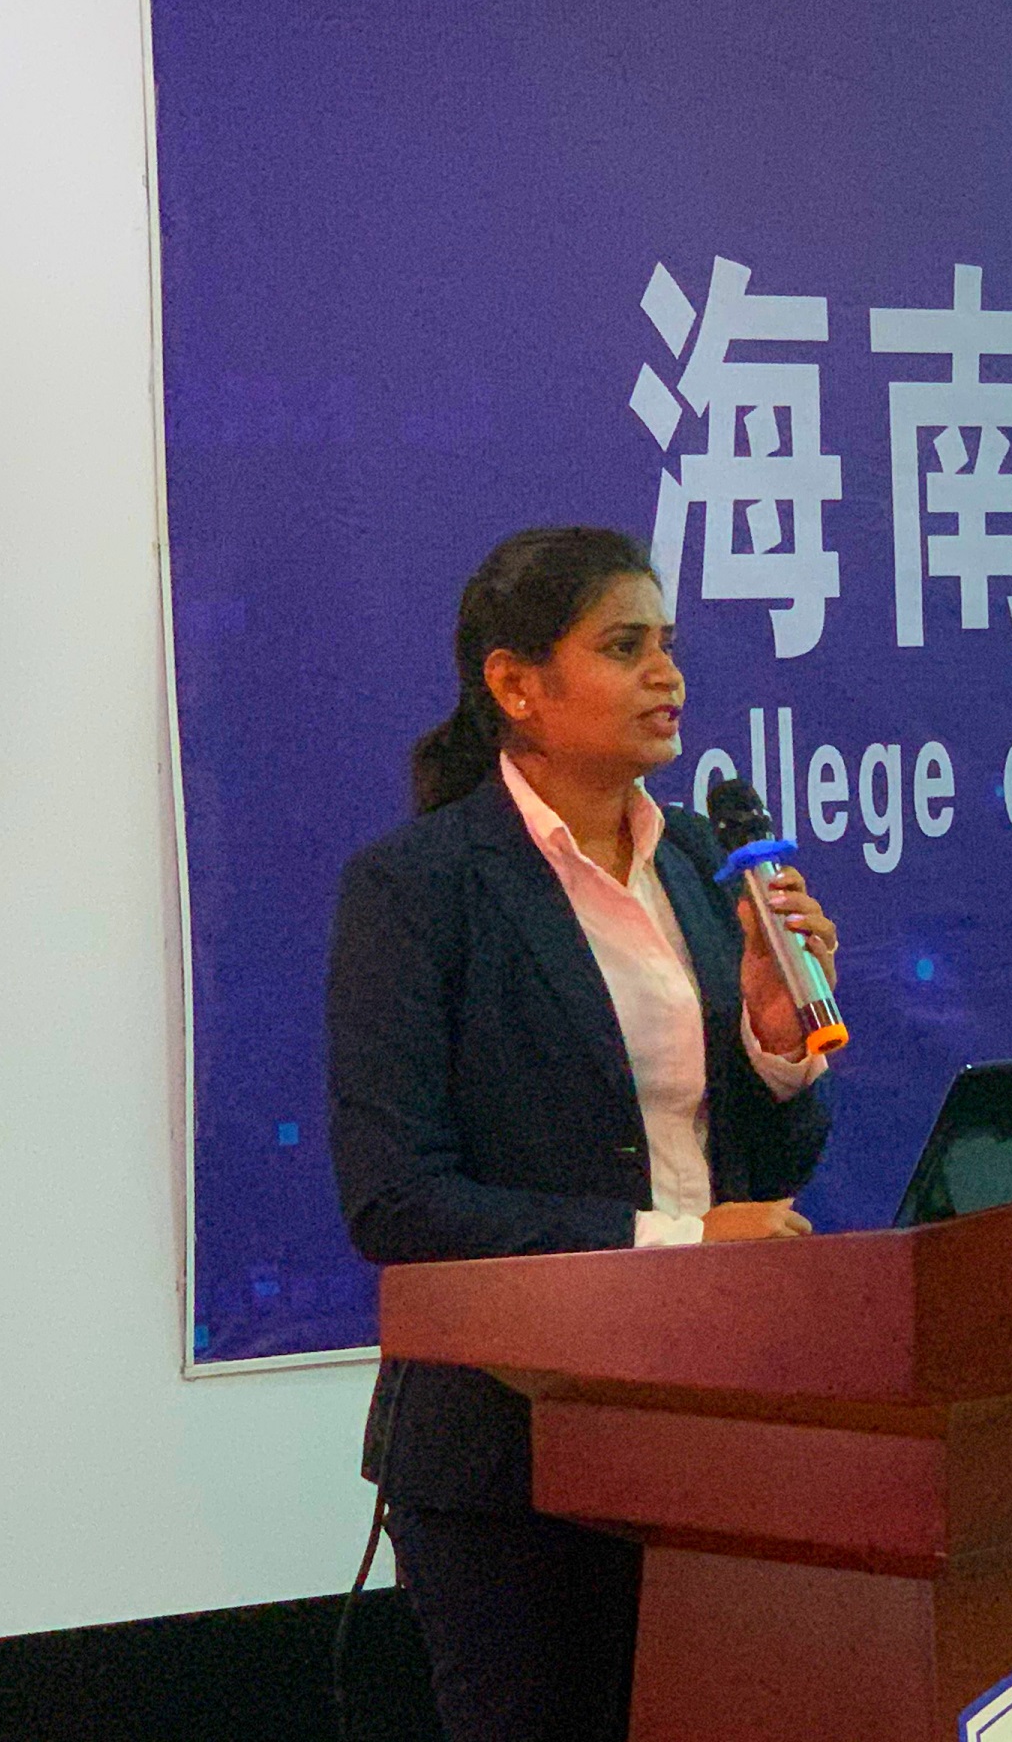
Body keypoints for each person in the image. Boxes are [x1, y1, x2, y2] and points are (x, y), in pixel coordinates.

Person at [324, 526, 837, 1742]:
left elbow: (765, 1168)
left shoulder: (701, 861)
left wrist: (774, 1046)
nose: (668, 674)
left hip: (710, 1423)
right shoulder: (420, 888)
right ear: (516, 684)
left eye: (669, 645)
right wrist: (681, 1246)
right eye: (624, 647)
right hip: (511, 1454)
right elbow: (397, 1200)